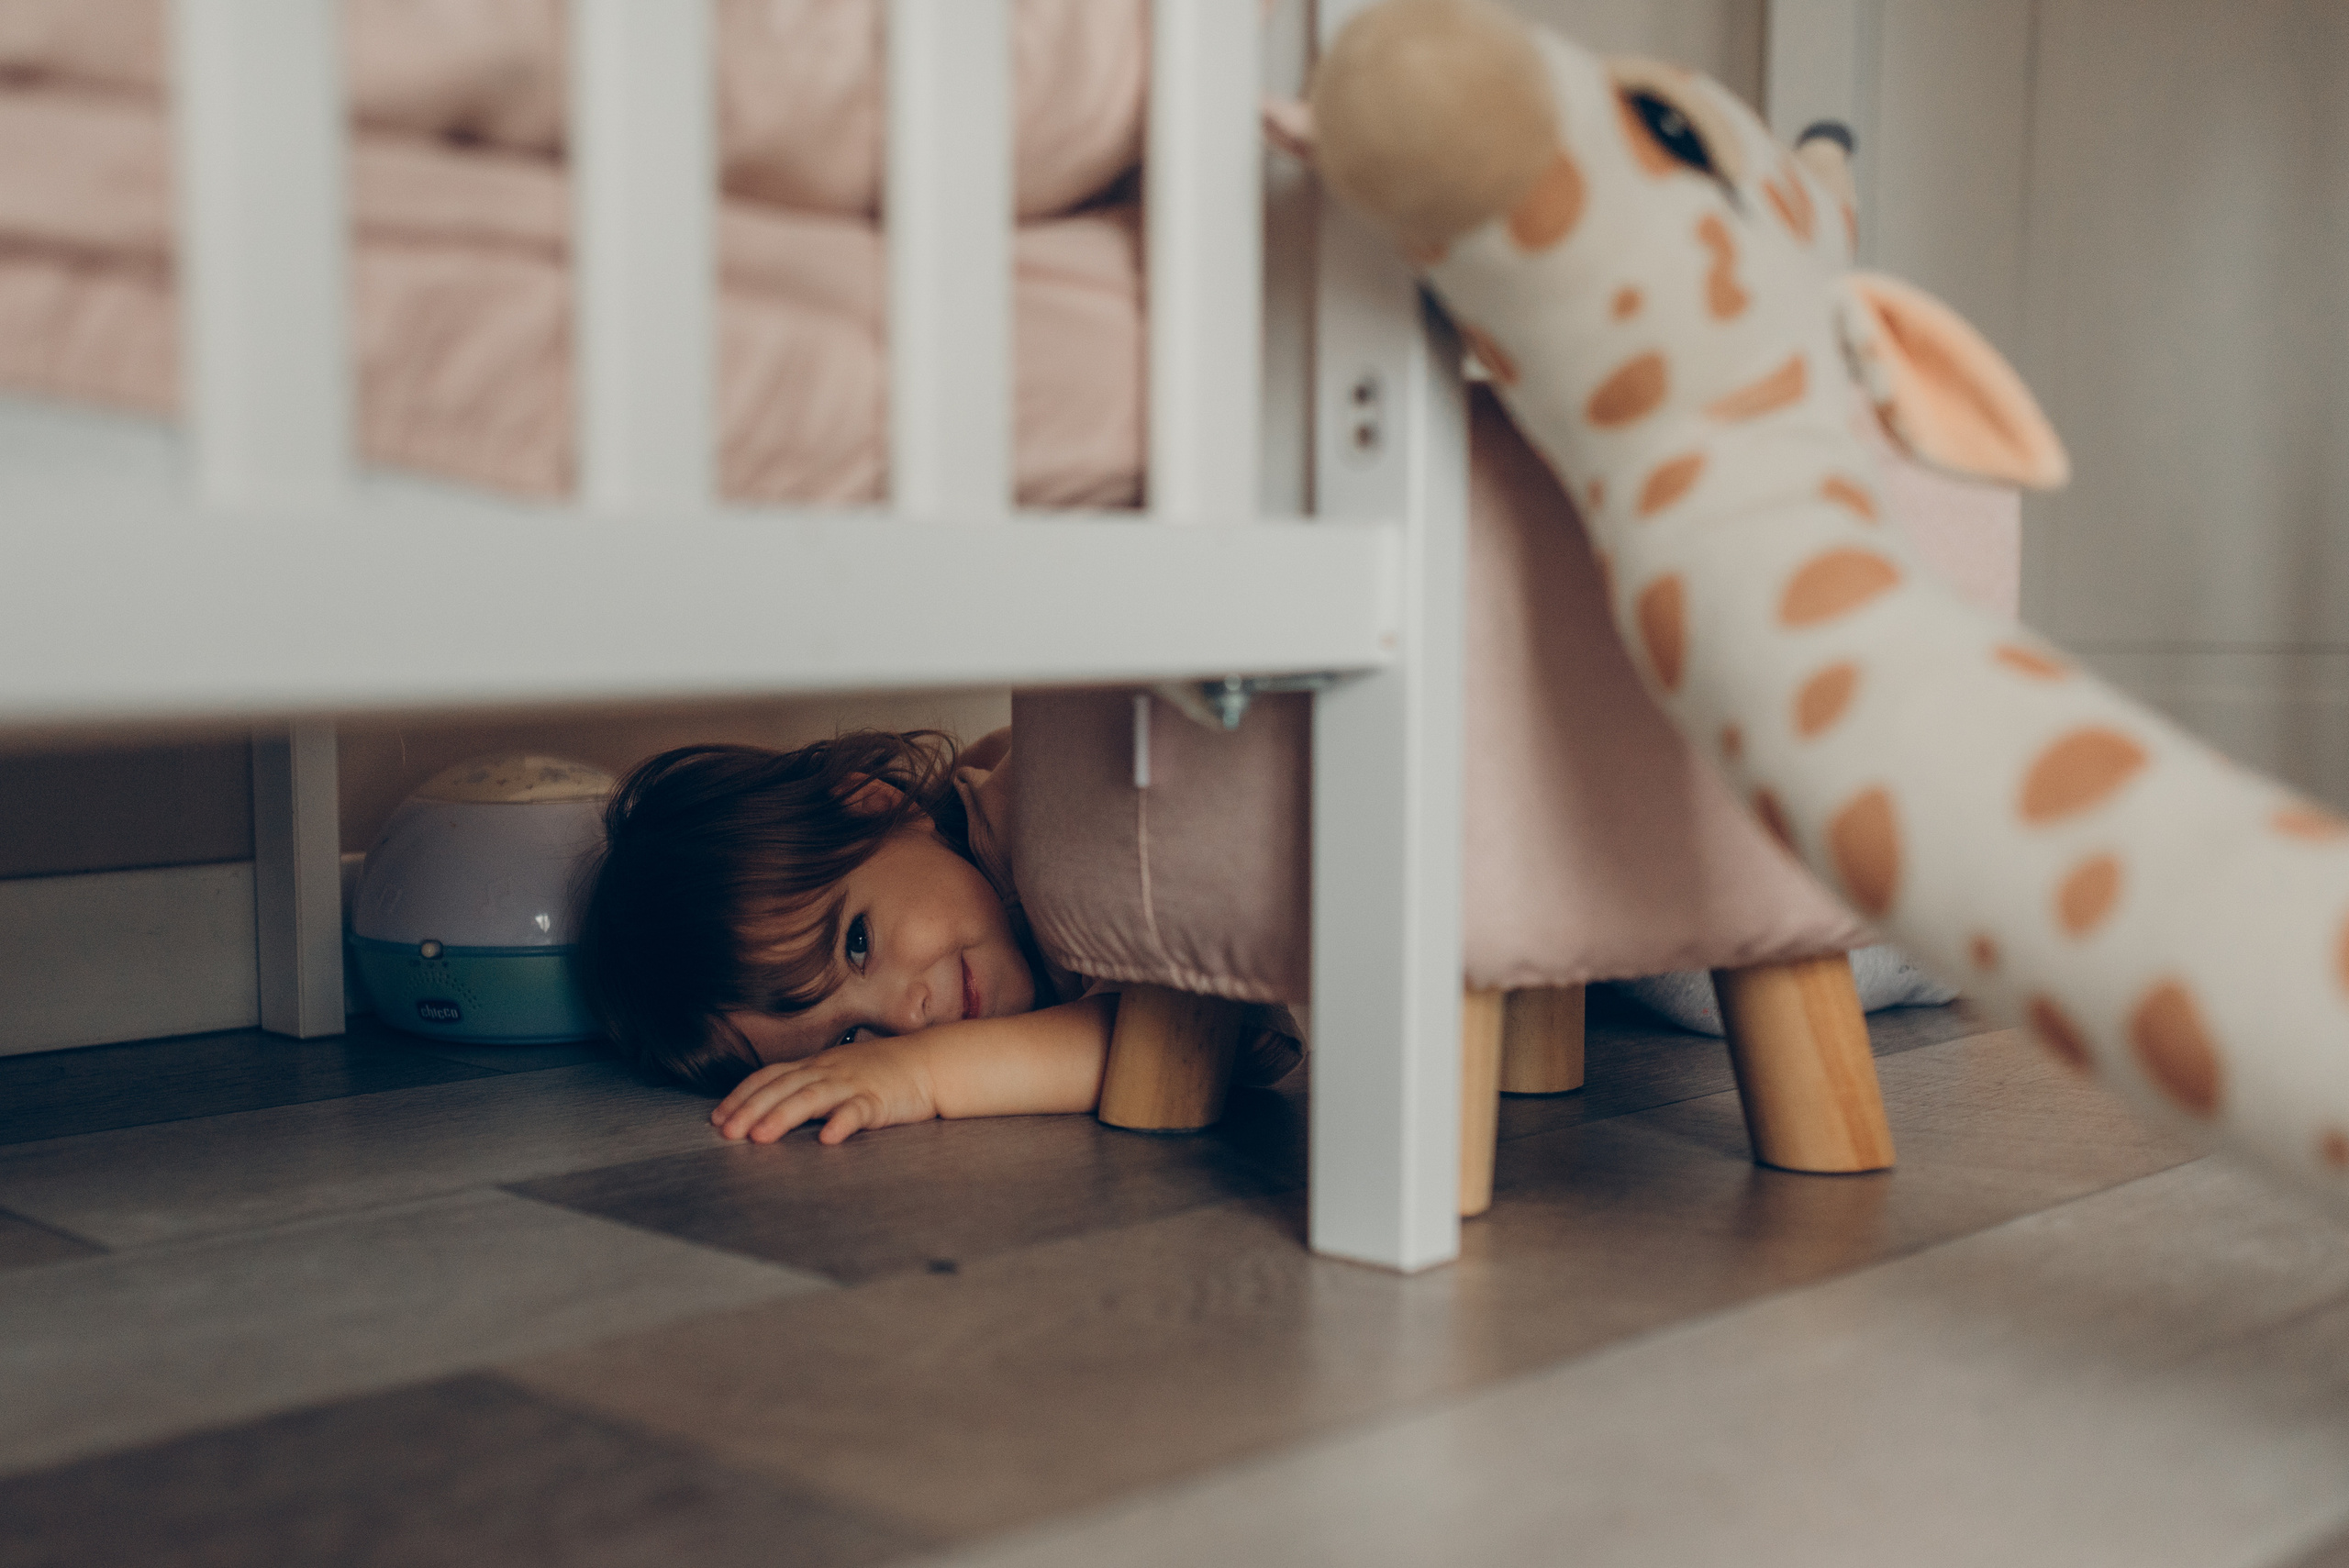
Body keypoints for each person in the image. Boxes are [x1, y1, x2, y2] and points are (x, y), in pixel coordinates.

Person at [578, 728, 1298, 1147]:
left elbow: (1163, 1040)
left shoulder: (1050, 813)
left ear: (876, 805)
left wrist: (922, 1074)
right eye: (848, 1045)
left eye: (857, 942)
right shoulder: (978, 912)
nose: (906, 1015)